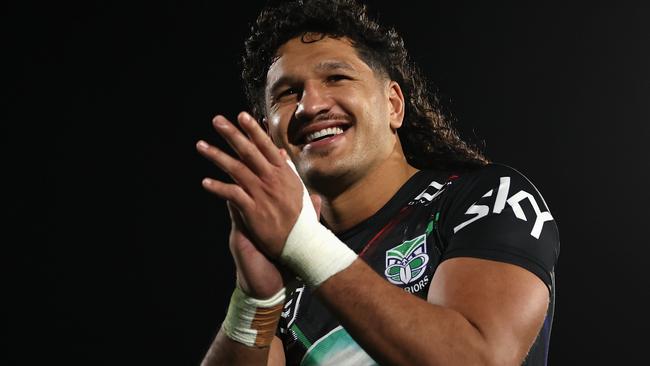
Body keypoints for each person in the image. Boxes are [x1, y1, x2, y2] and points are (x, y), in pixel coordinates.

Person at [196, 0, 560, 364]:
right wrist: (253, 302)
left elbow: (479, 358)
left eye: (336, 77)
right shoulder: (286, 275)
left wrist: (307, 246)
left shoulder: (487, 197)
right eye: (288, 93)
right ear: (269, 135)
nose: (310, 106)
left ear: (394, 104)